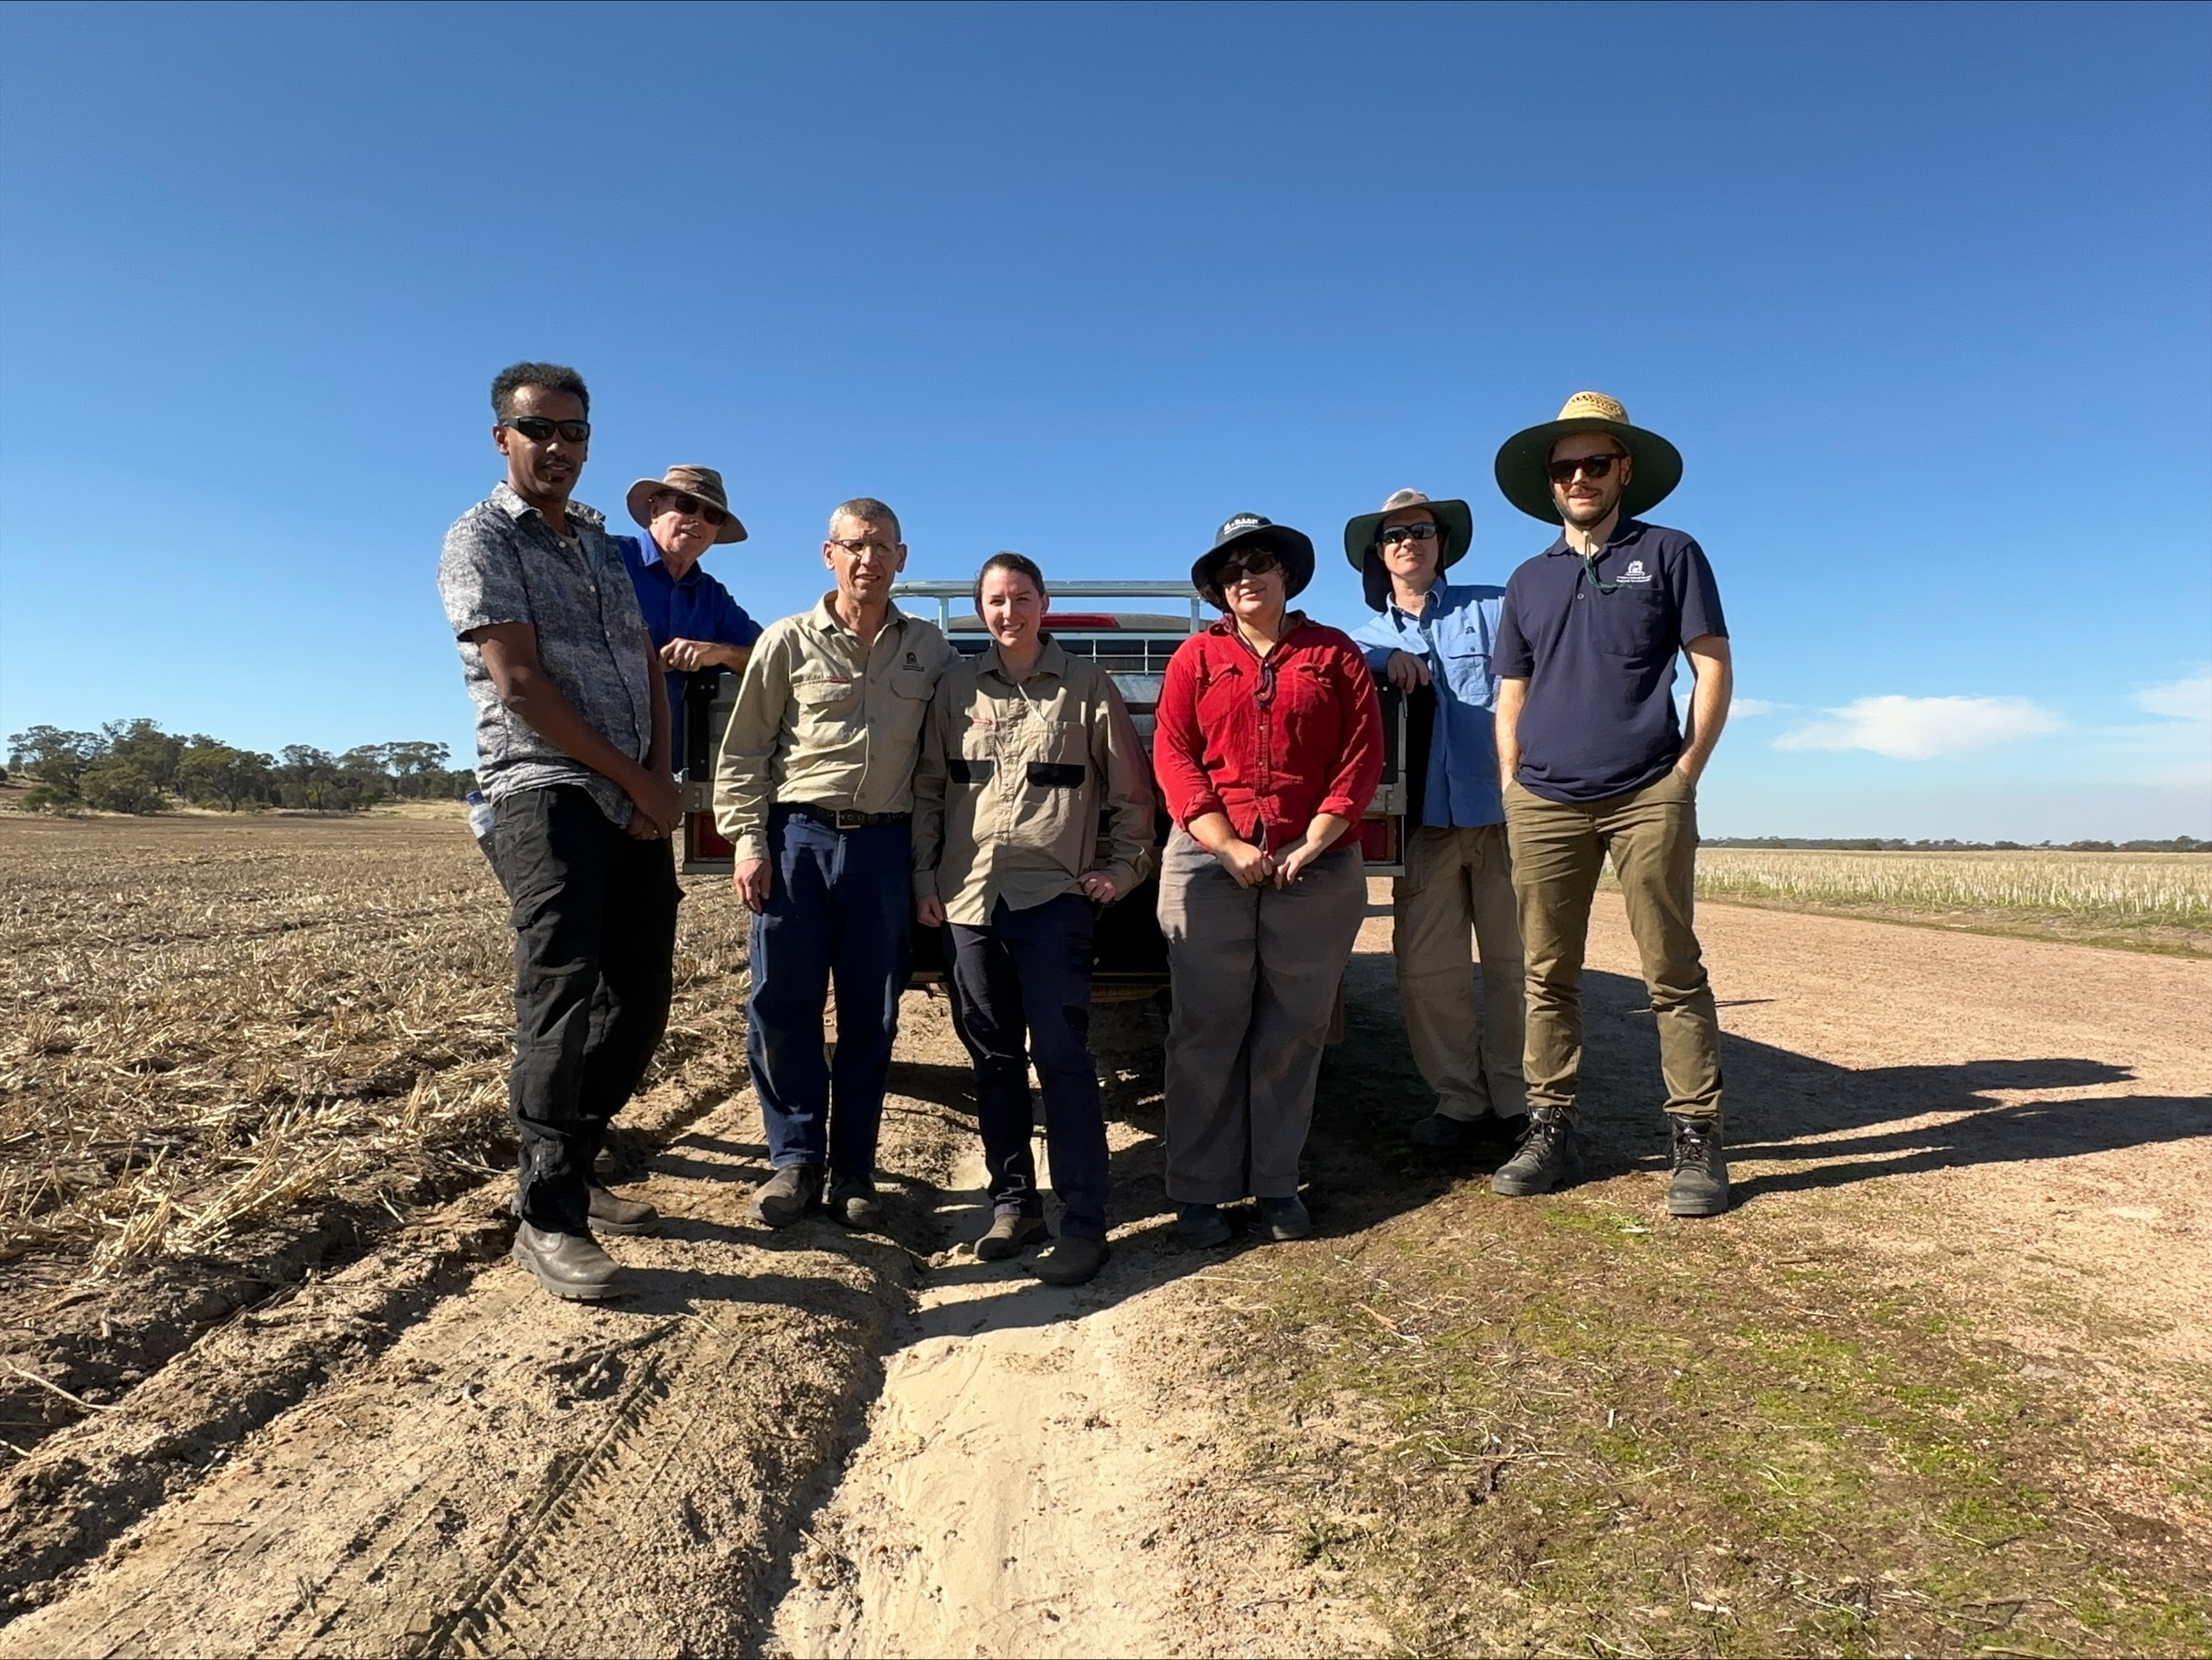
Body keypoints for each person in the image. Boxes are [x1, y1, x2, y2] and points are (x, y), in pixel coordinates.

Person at [437, 361, 681, 1301]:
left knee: (642, 996)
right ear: (503, 435)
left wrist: (655, 781)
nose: (559, 448)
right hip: (540, 788)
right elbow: (521, 687)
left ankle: (572, 1164)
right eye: (540, 430)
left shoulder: (597, 541)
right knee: (562, 994)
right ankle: (546, 1217)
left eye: (574, 432)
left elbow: (646, 669)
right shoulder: (477, 539)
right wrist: (630, 781)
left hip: (629, 794)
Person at [1489, 392, 1735, 1216]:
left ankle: (1696, 1139)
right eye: (1566, 468)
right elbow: (1511, 692)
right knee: (1546, 973)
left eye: (1597, 463)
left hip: (1645, 793)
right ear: (1549, 483)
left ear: (1624, 470)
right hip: (1544, 801)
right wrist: (1511, 779)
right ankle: (1549, 1125)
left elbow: (1712, 666)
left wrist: (1685, 772)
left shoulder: (1670, 553)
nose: (1581, 478)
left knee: (1670, 969)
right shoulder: (1528, 579)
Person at [713, 498, 956, 1230]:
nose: (868, 560)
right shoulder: (787, 642)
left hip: (882, 848)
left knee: (871, 1017)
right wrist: (749, 844)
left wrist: (923, 869)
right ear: (829, 554)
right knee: (782, 1006)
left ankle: (854, 1171)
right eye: (855, 546)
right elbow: (745, 753)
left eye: (882, 547)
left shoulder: (932, 651)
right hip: (797, 843)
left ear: (902, 559)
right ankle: (793, 1160)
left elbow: (936, 770)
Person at [912, 553, 1154, 1286]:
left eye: (1021, 597)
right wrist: (924, 877)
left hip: (1052, 904)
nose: (1008, 611)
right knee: (992, 1062)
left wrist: (1121, 870)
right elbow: (929, 790)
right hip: (968, 904)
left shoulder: (1087, 688)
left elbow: (1133, 799)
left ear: (1042, 603)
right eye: (995, 600)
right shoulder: (955, 687)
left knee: (1063, 1058)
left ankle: (1084, 1222)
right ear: (982, 610)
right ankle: (1014, 1206)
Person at [1153, 514, 1385, 1247]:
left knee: (1294, 1028)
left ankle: (1277, 1185)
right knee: (1207, 1026)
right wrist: (1223, 844)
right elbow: (1174, 755)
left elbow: (1360, 755)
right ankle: (1198, 1191)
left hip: (1313, 864)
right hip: (1210, 857)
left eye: (1258, 563)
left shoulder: (1334, 653)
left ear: (1287, 573)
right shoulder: (1196, 657)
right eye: (1229, 571)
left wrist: (1319, 838)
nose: (1244, 578)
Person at [1346, 489, 1526, 1152]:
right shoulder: (1359, 638)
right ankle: (1459, 1103)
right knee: (1429, 974)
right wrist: (1380, 662)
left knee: (1517, 966)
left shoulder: (1497, 607)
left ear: (1440, 543)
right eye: (1394, 535)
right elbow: (1333, 670)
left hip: (1504, 818)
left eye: (1421, 530)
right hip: (1421, 827)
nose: (1409, 542)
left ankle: (1520, 1102)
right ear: (1379, 555)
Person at [614, 466, 762, 772]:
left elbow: (771, 659)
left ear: (716, 531)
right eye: (686, 505)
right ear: (655, 508)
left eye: (712, 515)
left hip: (667, 779)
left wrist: (719, 652)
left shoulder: (712, 597)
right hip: (593, 766)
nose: (698, 519)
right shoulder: (607, 560)